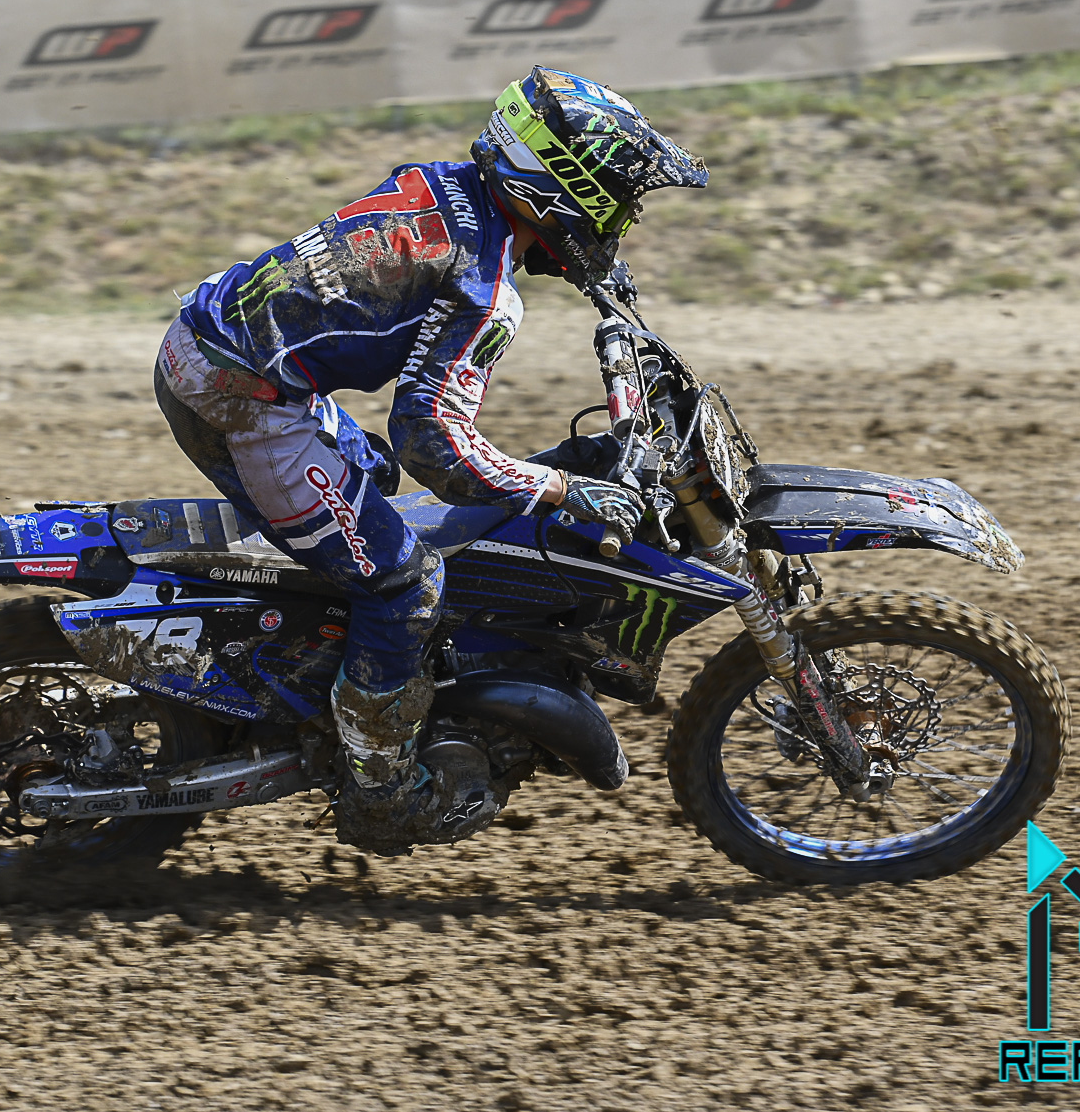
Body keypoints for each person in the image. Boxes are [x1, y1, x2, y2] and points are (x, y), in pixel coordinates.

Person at [156, 65, 708, 853]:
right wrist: (560, 488)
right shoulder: (484, 290)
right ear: (563, 188)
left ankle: (328, 674)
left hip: (219, 343)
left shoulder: (445, 186)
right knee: (407, 585)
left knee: (374, 483)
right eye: (616, 197)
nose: (625, 214)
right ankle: (380, 788)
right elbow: (433, 442)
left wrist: (582, 265)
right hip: (239, 397)